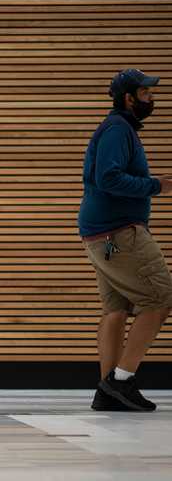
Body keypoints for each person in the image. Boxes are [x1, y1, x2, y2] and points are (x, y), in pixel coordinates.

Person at [79, 68, 172, 412]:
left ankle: (107, 392)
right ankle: (120, 380)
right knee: (161, 298)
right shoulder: (118, 130)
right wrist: (156, 185)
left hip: (101, 236)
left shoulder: (118, 129)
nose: (152, 99)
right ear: (129, 98)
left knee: (116, 309)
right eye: (146, 94)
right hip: (119, 233)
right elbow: (109, 178)